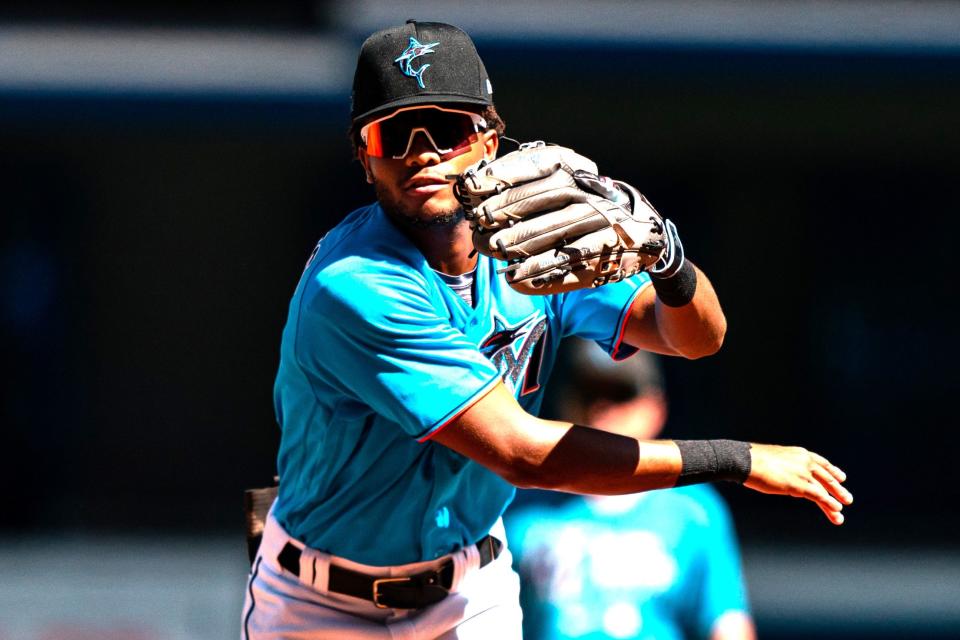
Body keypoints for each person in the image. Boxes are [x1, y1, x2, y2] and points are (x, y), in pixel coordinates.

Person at [241, 20, 851, 639]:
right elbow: (521, 453)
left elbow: (696, 338)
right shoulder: (353, 283)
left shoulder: (534, 237)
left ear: (489, 139)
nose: (422, 152)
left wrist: (667, 257)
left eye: (447, 129)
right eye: (393, 134)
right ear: (364, 159)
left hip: (468, 588)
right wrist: (734, 460)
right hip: (321, 604)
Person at [507, 339, 756, 640]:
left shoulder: (692, 510)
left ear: (655, 407)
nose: (603, 409)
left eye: (620, 394)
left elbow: (727, 622)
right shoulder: (519, 503)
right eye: (590, 393)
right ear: (566, 401)